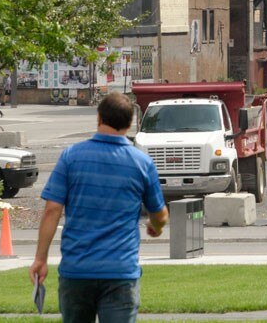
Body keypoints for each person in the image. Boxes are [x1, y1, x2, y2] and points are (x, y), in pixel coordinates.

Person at [31, 91, 168, 323]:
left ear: (99, 118)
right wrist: (155, 226)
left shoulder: (71, 157)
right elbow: (160, 214)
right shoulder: (141, 163)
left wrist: (40, 259)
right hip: (120, 271)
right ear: (129, 124)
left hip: (77, 270)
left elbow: (52, 210)